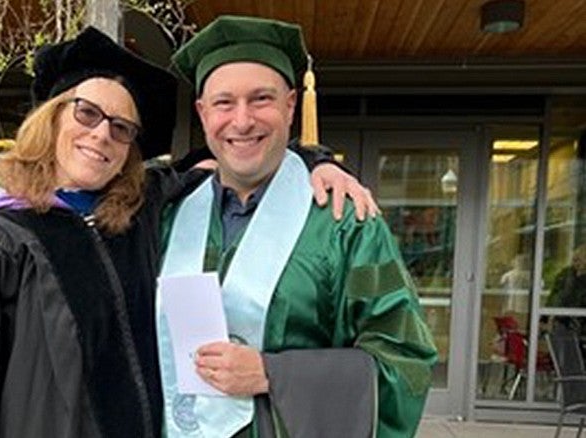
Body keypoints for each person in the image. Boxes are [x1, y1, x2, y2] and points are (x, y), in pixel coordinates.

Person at [0, 26, 377, 438]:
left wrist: (316, 164)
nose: (102, 135)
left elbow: (240, 152)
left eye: (122, 128)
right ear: (52, 118)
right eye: (86, 113)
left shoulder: (144, 212)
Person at [156, 16, 438, 438]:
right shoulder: (168, 215)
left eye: (261, 99)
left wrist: (274, 374)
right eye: (223, 103)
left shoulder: (345, 221)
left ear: (291, 105)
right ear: (202, 112)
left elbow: (405, 363)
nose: (242, 120)